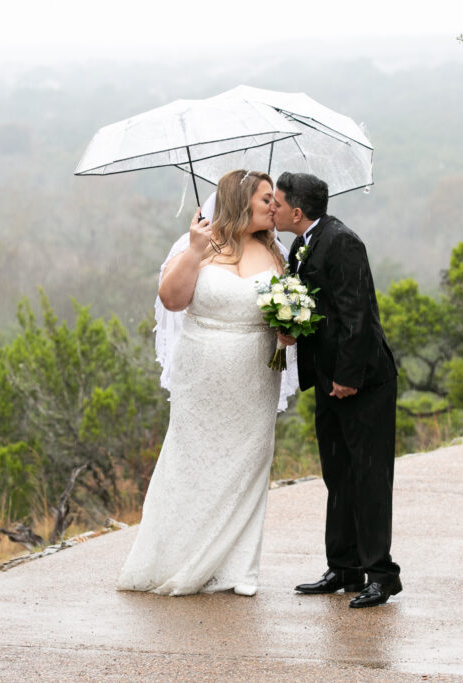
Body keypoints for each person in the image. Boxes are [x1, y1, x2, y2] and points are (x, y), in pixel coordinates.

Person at [116, 169, 296, 596]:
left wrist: (290, 331)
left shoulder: (277, 254)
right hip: (200, 377)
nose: (275, 206)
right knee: (191, 461)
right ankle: (177, 558)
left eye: (275, 200)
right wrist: (196, 252)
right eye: (267, 198)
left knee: (248, 464)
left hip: (255, 376)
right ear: (239, 200)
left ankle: (238, 569)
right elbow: (172, 300)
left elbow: (285, 316)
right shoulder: (199, 243)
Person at [273, 171, 402, 608]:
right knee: (338, 473)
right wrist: (289, 328)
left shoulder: (343, 241)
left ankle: (382, 575)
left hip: (363, 381)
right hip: (328, 380)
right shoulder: (301, 243)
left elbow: (357, 313)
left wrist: (348, 376)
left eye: (276, 201)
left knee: (369, 475)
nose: (270, 208)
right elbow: (316, 306)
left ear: (295, 210)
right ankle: (344, 567)